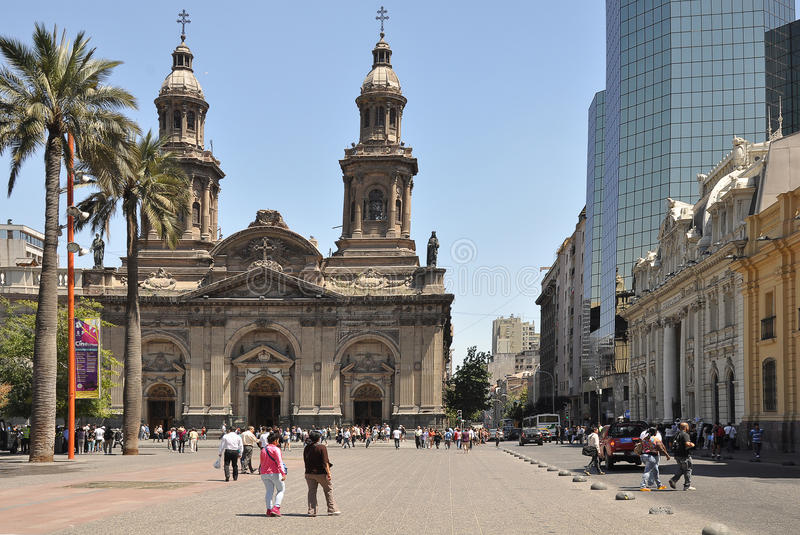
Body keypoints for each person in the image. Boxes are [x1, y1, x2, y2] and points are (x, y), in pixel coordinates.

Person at [304, 430, 340, 517]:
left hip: (309, 473)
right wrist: (329, 473)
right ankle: (332, 509)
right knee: (328, 490)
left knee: (312, 492)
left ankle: (311, 511)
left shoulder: (307, 447)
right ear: (318, 438)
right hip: (320, 473)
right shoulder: (321, 447)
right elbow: (325, 462)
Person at [260, 431, 287, 517]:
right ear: (275, 440)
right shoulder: (276, 449)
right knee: (281, 489)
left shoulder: (263, 449)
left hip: (264, 473)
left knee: (269, 491)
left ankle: (269, 509)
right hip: (274, 472)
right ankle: (276, 507)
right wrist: (283, 473)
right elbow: (279, 462)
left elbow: (262, 462)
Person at [639, 427, 670, 491]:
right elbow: (661, 448)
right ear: (655, 432)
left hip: (644, 456)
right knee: (647, 471)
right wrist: (667, 455)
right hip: (651, 457)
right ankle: (643, 486)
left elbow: (641, 446)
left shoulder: (645, 438)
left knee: (655, 470)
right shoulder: (655, 439)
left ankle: (659, 485)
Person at [668, 422, 696, 491]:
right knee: (688, 469)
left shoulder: (675, 434)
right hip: (684, 455)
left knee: (682, 468)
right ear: (685, 427)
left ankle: (673, 480)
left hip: (677, 455)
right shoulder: (685, 434)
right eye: (688, 426)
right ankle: (687, 485)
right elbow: (687, 444)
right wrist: (692, 444)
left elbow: (670, 444)